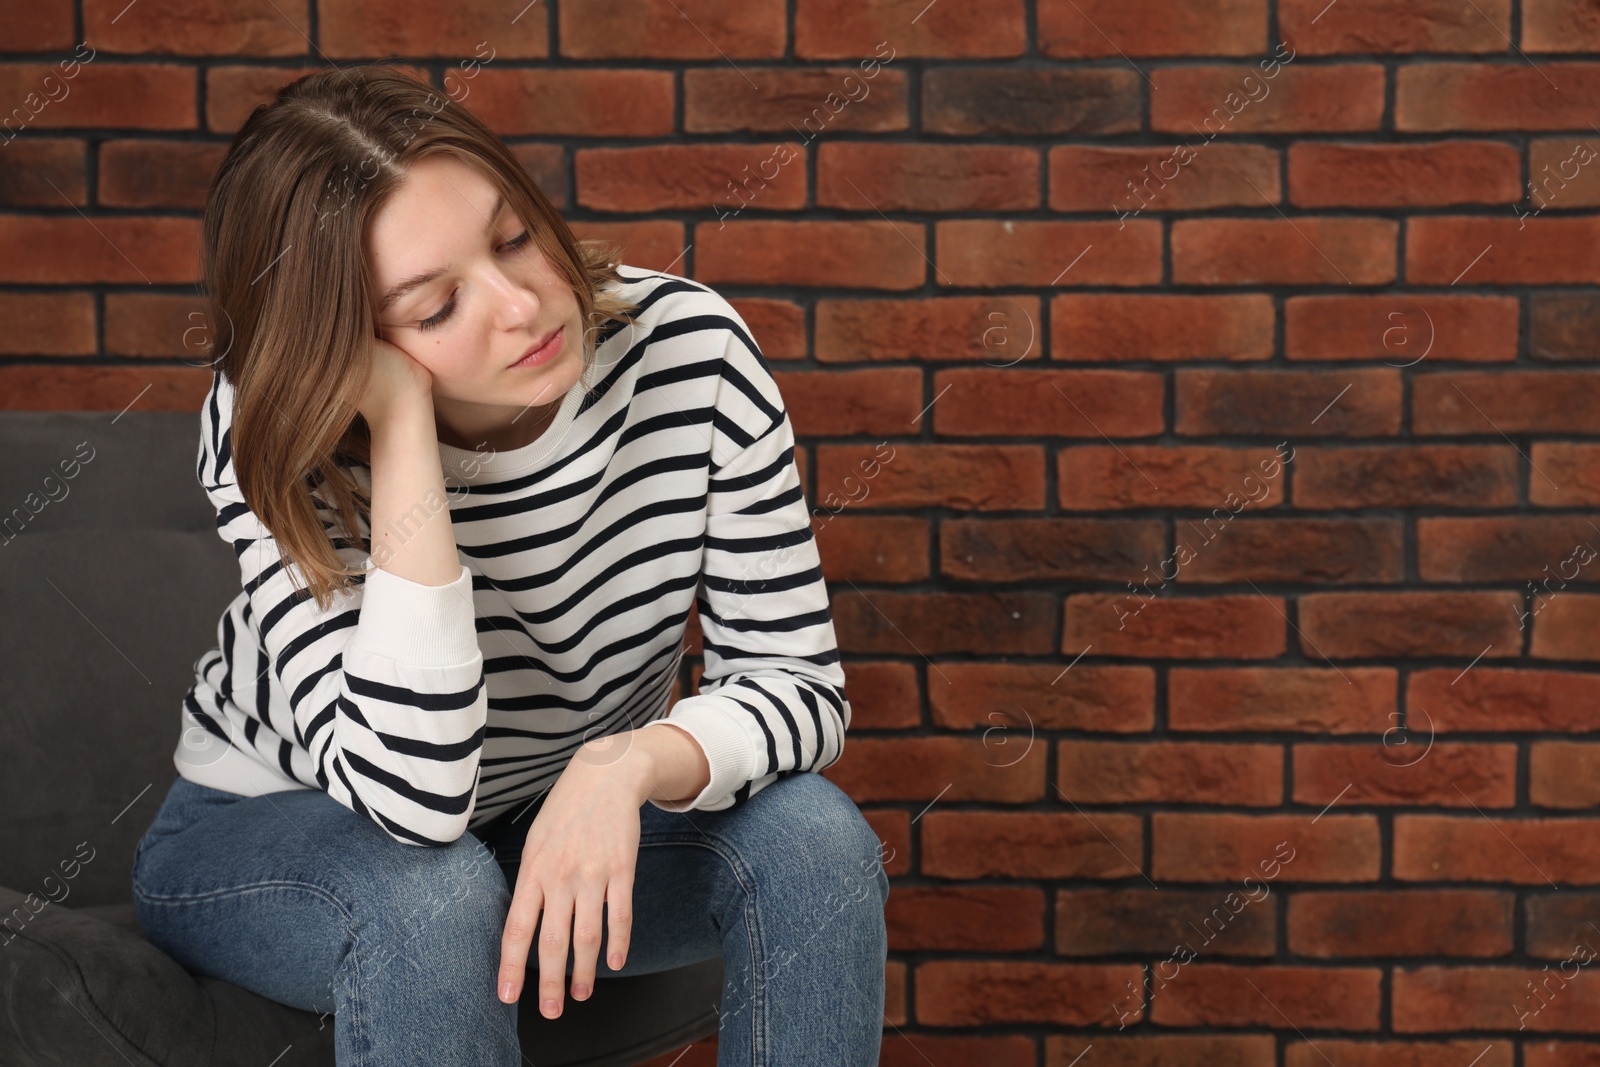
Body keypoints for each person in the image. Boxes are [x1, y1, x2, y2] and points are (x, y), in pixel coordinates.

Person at [129, 63, 890, 1067]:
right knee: (436, 893)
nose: (521, 306)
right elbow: (415, 794)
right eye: (436, 305)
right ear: (347, 343)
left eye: (513, 239)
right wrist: (402, 431)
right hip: (272, 832)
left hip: (541, 815)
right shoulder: (270, 432)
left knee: (815, 841)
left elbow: (797, 684)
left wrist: (626, 763)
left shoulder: (690, 353)